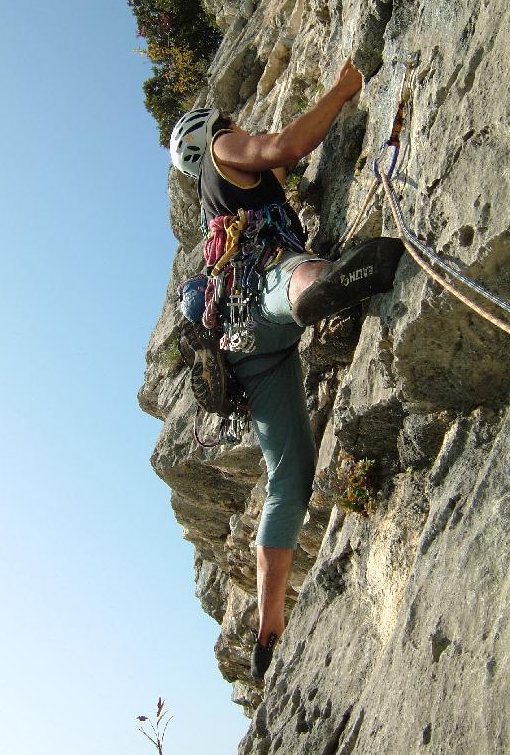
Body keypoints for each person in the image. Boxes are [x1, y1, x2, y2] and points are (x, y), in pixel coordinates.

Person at [169, 59, 404, 680]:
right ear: (209, 136)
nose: (237, 128)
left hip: (245, 353)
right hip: (264, 296)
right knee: (289, 282)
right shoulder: (224, 149)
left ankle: (268, 623)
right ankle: (325, 283)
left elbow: (282, 164)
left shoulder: (211, 209)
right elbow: (287, 146)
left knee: (289, 479)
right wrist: (345, 86)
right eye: (227, 125)